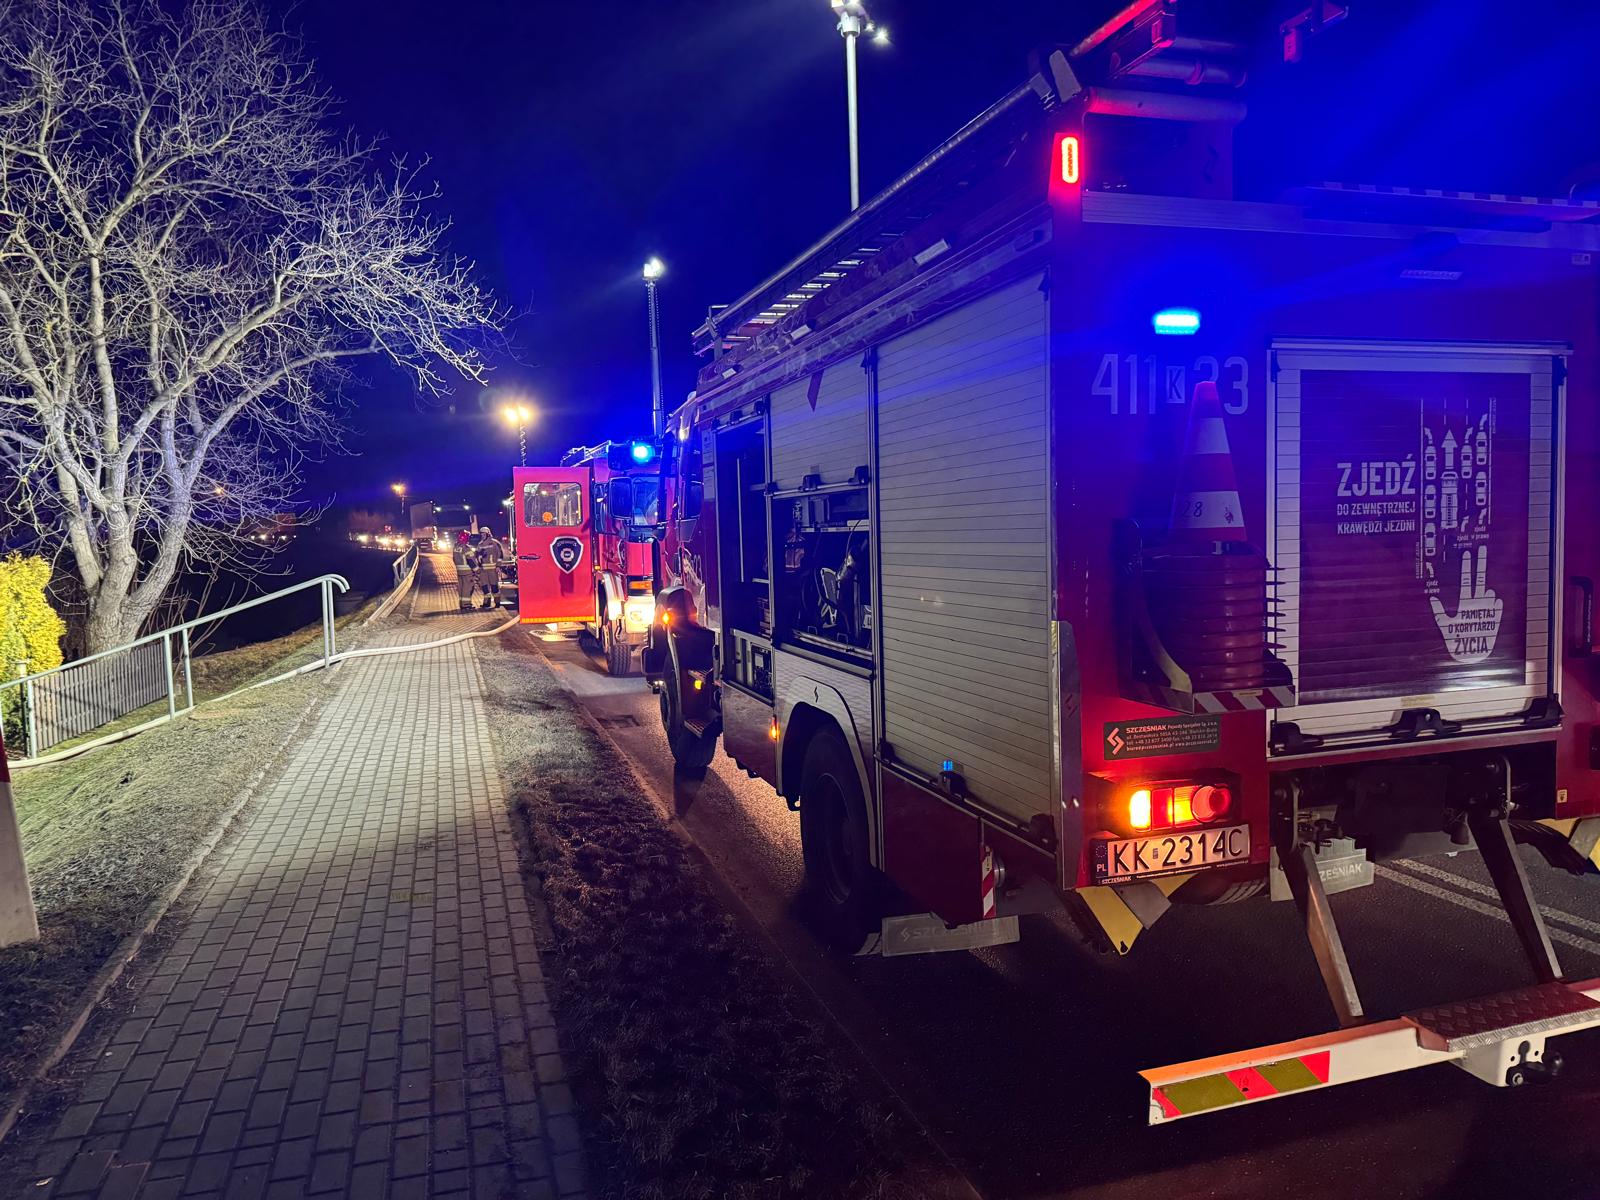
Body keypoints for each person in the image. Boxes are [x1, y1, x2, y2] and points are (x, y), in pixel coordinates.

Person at [474, 529, 505, 610]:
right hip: (483, 570)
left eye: (484, 534)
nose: (482, 536)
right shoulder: (480, 544)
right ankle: (486, 603)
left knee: (494, 586)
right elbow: (476, 556)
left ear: (488, 534)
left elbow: (500, 555)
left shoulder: (495, 543)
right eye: (481, 534)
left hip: (493, 569)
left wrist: (498, 566)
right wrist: (478, 567)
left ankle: (497, 603)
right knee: (484, 587)